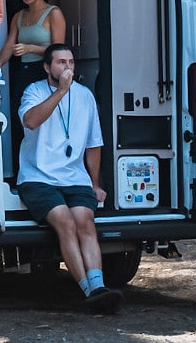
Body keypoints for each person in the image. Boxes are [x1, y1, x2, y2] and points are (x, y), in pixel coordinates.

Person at [17, 43, 122, 314]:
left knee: (85, 221)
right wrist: (61, 92)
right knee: (65, 221)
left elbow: (93, 144)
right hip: (38, 177)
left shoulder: (85, 96)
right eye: (61, 63)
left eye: (71, 62)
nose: (68, 68)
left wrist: (95, 183)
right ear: (47, 67)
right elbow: (30, 121)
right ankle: (88, 290)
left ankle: (99, 287)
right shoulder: (34, 92)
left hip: (74, 177)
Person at [0, 0, 66, 174]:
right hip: (24, 75)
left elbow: (60, 52)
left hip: (44, 75)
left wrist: (30, 49)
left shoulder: (53, 13)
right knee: (21, 123)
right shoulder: (19, 15)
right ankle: (23, 172)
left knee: (45, 125)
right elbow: (9, 44)